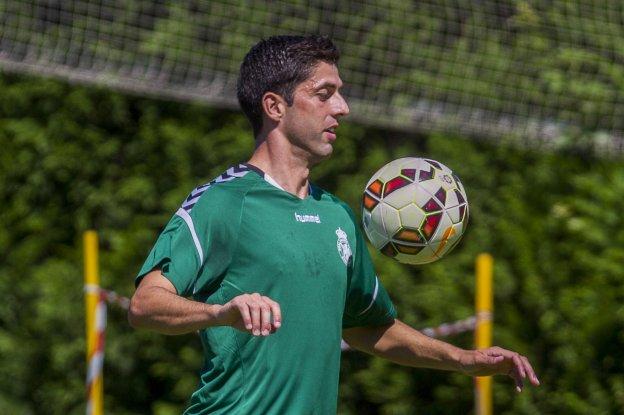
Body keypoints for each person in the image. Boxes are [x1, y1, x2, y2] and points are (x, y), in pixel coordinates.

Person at [128, 35, 539, 414]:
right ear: (274, 107)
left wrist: (462, 360)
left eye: (339, 94)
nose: (342, 108)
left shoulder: (336, 215)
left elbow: (368, 327)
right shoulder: (224, 202)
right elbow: (146, 305)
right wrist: (221, 312)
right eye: (324, 94)